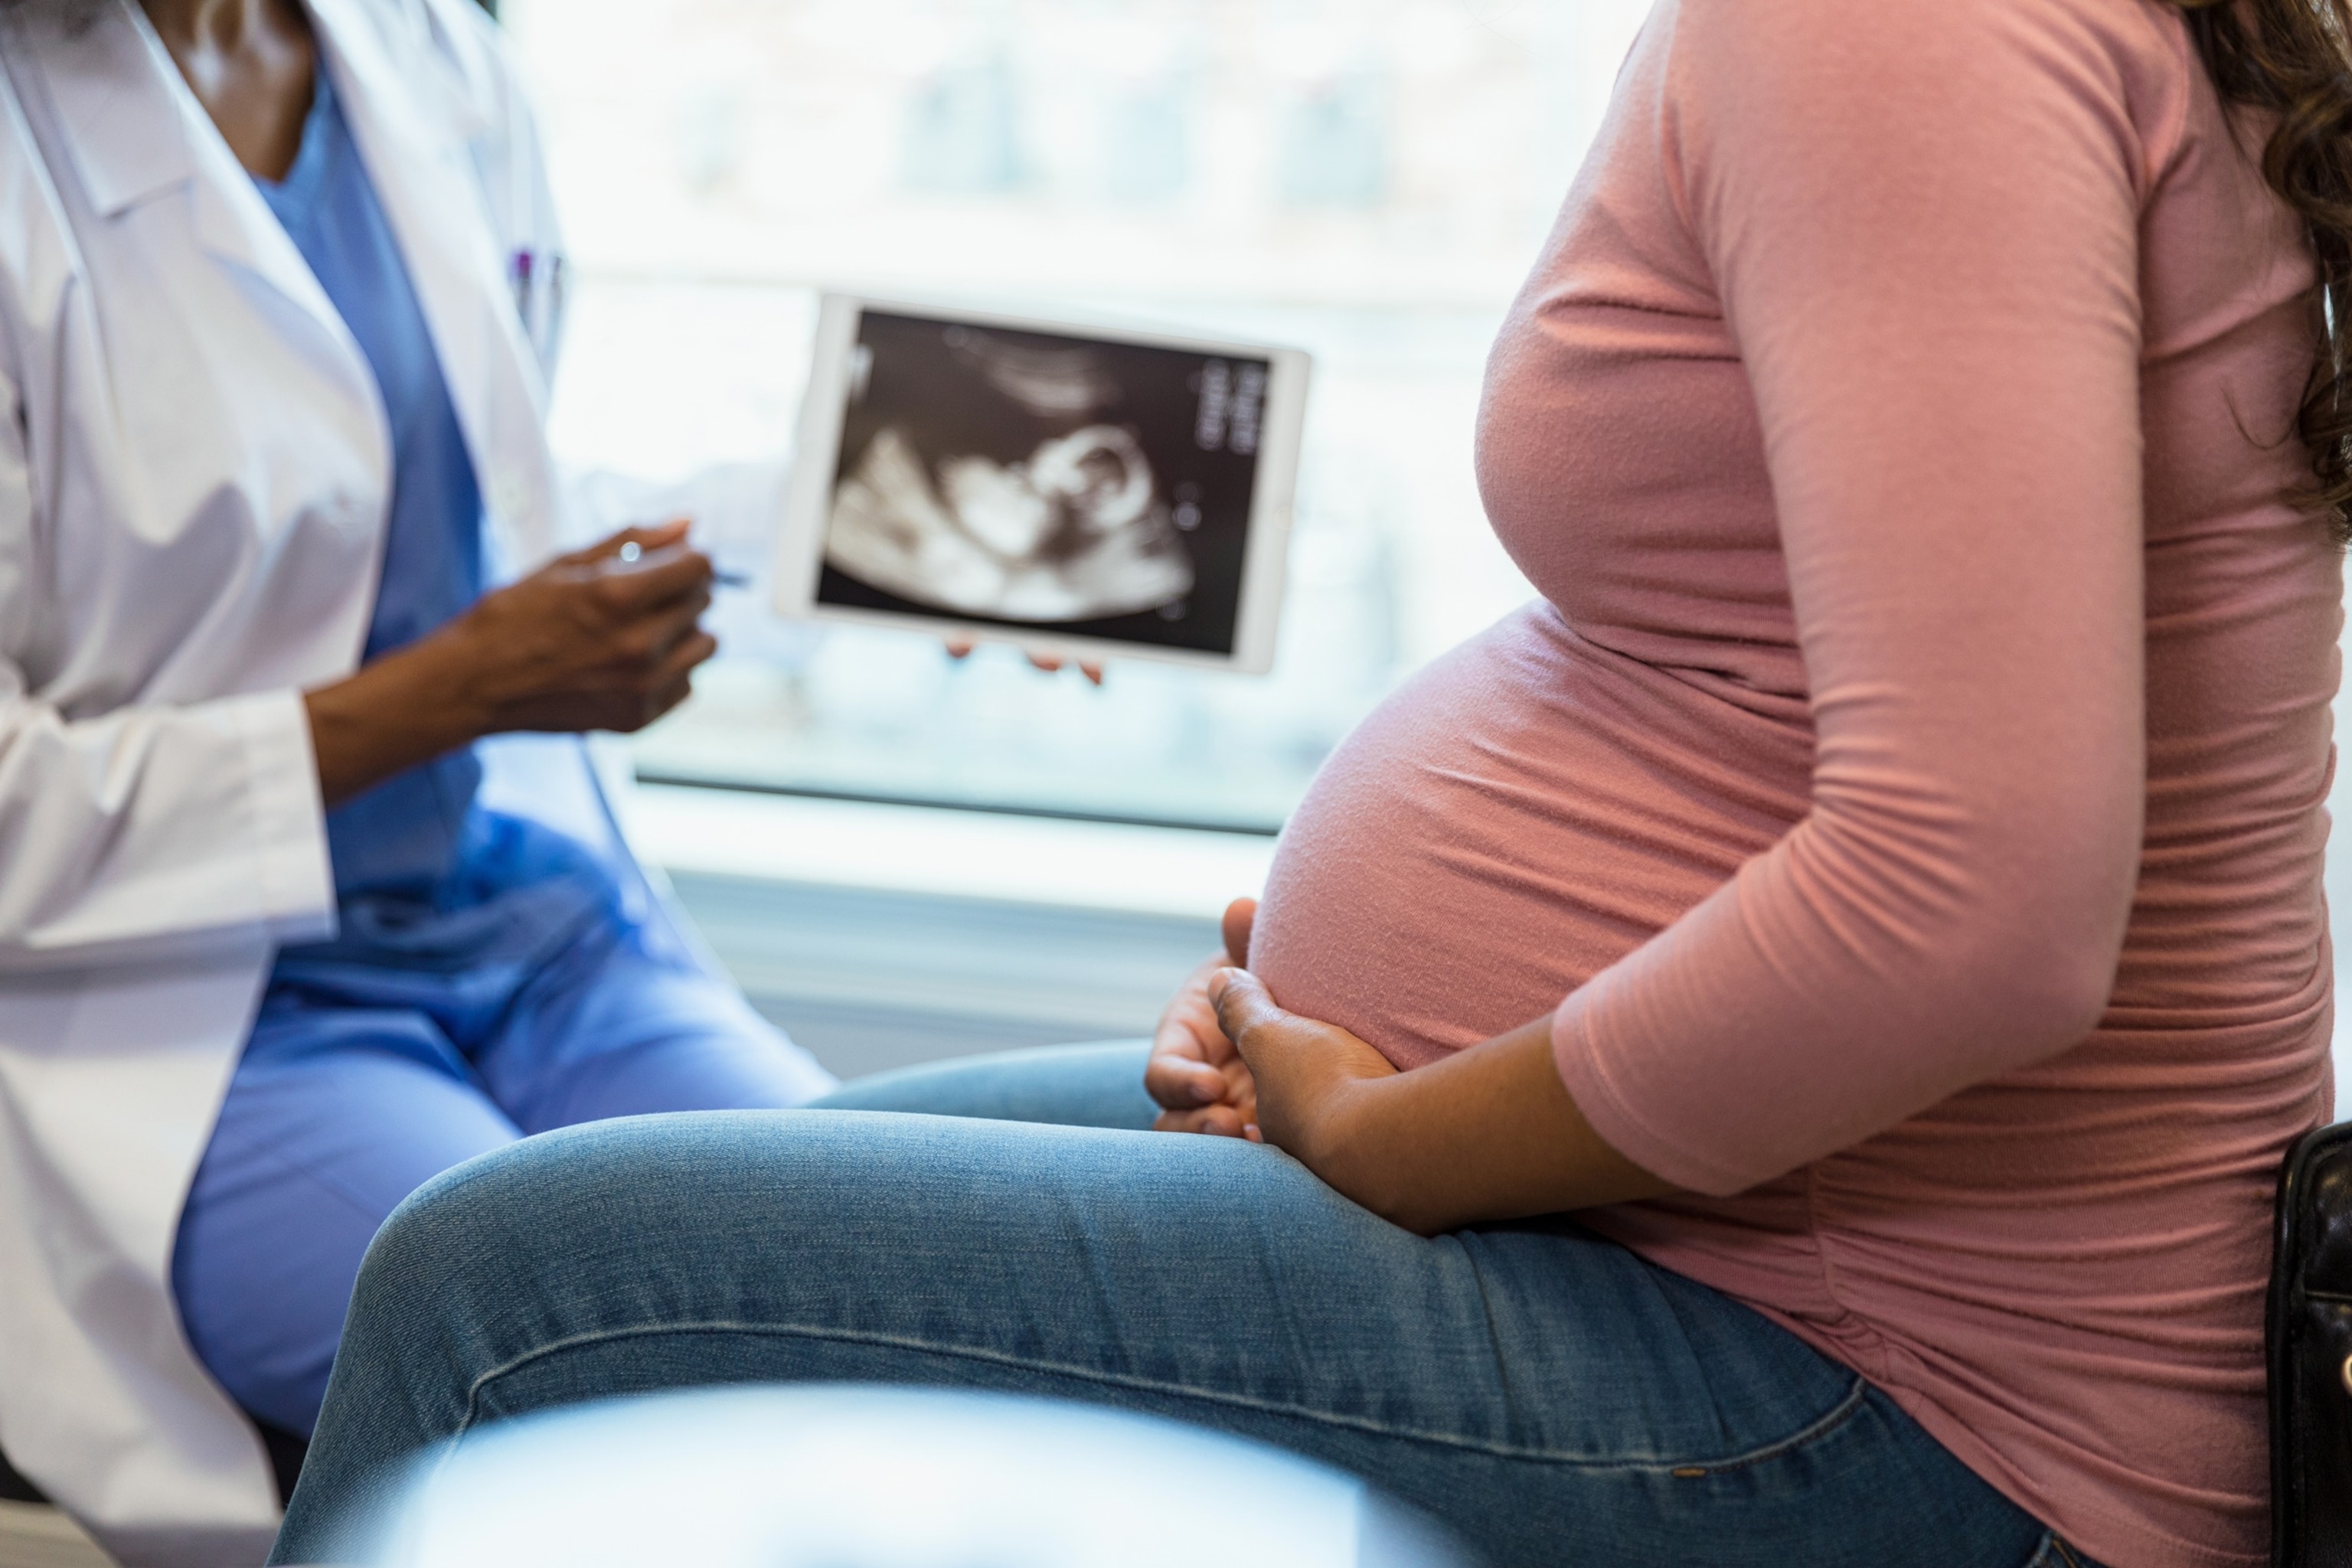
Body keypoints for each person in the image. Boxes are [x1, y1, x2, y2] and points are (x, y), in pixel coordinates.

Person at [275, 1, 2338, 1566]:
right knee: (730, 1188)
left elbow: (1977, 910)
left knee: (508, 1291)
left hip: (1905, 1375)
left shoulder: (1897, 35)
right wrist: (1375, 1016)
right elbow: (1777, 698)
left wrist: (1404, 1129)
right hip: (1726, 1228)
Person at [0, 0, 844, 1560]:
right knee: (611, 1432)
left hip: (518, 923)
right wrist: (456, 693)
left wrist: (877, 552)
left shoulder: (421, 43)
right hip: (185, 1014)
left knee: (909, 1310)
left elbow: (464, 500)